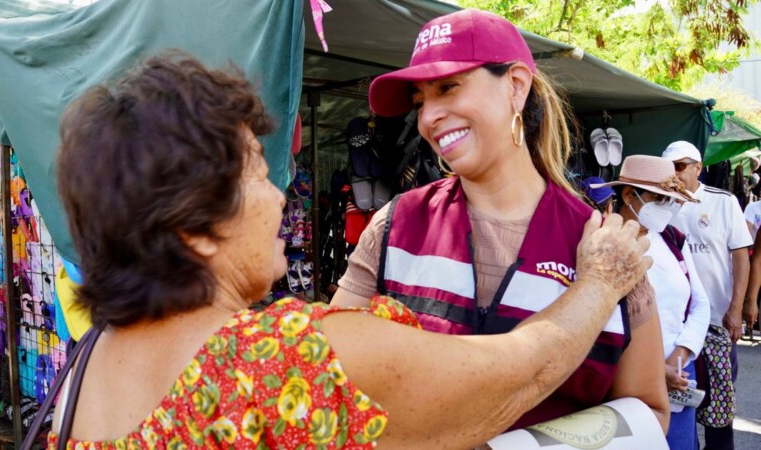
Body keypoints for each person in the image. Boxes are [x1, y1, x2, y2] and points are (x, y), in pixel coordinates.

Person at [42, 52, 653, 449]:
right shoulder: (283, 359)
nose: (279, 197)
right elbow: (522, 371)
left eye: (449, 88)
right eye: (258, 175)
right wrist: (600, 283)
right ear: (192, 227)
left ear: (517, 88)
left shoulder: (89, 360)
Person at [331, 8, 669, 432]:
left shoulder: (609, 252)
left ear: (516, 86)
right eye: (420, 102)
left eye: (448, 87)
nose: (428, 117)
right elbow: (331, 378)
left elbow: (648, 412)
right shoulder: (394, 226)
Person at [593, 155, 709, 450]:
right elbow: (598, 321)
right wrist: (655, 370)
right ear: (628, 195)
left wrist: (681, 352)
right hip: (622, 388)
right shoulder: (600, 242)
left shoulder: (672, 239)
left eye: (670, 200)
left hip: (679, 381)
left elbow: (700, 304)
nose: (666, 207)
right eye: (658, 199)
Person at [662, 140, 753, 450]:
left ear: (698, 168)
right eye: (669, 167)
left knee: (719, 407)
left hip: (716, 324)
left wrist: (736, 309)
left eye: (679, 166)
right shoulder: (660, 202)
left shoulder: (723, 202)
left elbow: (741, 257)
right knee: (679, 401)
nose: (674, 174)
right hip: (676, 328)